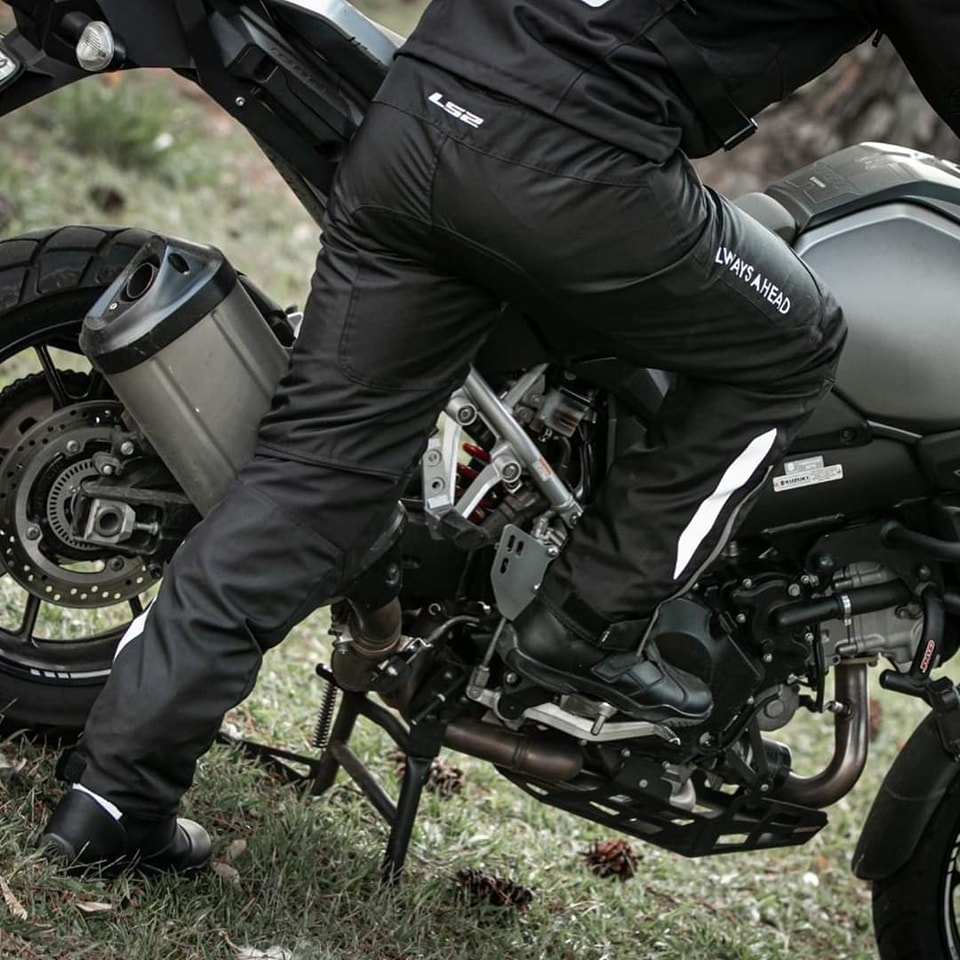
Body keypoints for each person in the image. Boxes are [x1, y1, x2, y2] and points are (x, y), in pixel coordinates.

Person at [37, 0, 958, 872]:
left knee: (305, 484)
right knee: (794, 344)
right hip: (570, 159)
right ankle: (585, 620)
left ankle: (111, 803)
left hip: (419, 112)